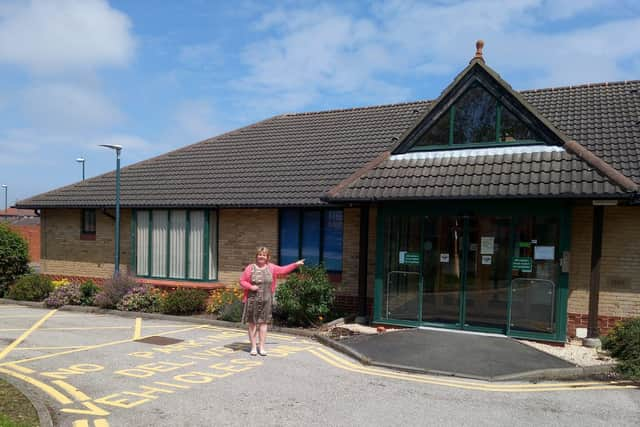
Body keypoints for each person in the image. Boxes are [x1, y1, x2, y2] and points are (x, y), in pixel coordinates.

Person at [239, 247, 304, 356]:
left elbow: (283, 270)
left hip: (266, 300)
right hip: (252, 300)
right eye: (260, 254)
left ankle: (262, 347)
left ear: (267, 257)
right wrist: (250, 287)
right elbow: (242, 281)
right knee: (252, 324)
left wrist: (295, 265)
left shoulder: (272, 267)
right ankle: (254, 347)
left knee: (263, 324)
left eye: (264, 255)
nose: (261, 257)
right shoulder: (250, 268)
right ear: (256, 256)